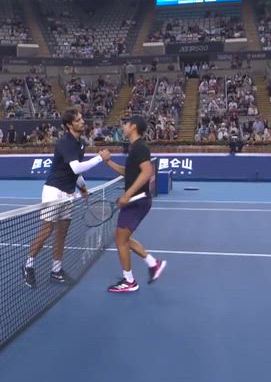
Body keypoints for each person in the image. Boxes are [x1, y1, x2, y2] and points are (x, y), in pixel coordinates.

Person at [23, 110, 109, 288]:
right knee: (47, 230)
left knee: (62, 233)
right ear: (69, 125)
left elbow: (74, 172)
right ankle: (28, 265)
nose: (82, 121)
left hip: (68, 193)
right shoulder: (65, 142)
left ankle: (56, 270)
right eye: (78, 120)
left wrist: (82, 187)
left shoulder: (81, 144)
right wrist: (100, 158)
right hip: (54, 191)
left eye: (81, 118)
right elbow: (77, 168)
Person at [100, 115, 166, 293]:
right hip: (136, 200)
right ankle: (153, 263)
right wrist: (108, 162)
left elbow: (147, 172)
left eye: (125, 124)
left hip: (137, 200)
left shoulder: (140, 147)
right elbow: (128, 172)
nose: (123, 127)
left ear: (133, 127)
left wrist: (127, 195)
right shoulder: (134, 148)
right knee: (123, 238)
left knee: (120, 239)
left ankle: (130, 282)